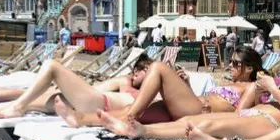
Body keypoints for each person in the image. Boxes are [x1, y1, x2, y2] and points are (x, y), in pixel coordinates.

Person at [103, 34, 280, 140]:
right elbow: (242, 109)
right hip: (246, 115)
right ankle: (87, 118)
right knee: (186, 121)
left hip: (266, 124)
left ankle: (140, 130)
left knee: (204, 122)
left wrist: (274, 90)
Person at [56, 46, 266, 128]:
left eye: (236, 63)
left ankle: (129, 117)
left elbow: (240, 117)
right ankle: (81, 119)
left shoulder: (250, 88)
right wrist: (185, 85)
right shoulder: (230, 83)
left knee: (158, 67)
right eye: (231, 61)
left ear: (249, 68)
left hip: (198, 113)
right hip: (192, 105)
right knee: (135, 111)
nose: (230, 65)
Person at [0, 54, 155, 120]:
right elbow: (97, 88)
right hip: (89, 101)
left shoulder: (152, 94)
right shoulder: (125, 82)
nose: (135, 72)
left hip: (99, 105)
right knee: (30, 101)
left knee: (51, 66)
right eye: (135, 69)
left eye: (142, 70)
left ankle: (12, 107)